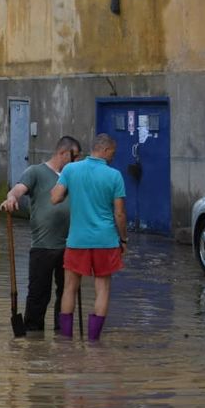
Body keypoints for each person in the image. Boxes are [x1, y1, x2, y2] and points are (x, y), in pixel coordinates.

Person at [0, 136, 82, 333]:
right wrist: (11, 199)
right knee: (38, 294)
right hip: (43, 246)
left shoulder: (73, 175)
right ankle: (34, 339)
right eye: (75, 156)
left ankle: (62, 333)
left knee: (67, 292)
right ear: (63, 153)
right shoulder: (35, 172)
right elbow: (18, 189)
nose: (78, 160)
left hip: (70, 245)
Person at [50, 133, 127, 340]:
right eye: (112, 152)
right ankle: (93, 341)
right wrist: (124, 239)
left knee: (69, 288)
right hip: (106, 240)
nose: (113, 156)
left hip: (77, 240)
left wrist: (71, 189)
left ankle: (66, 339)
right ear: (104, 150)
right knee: (102, 289)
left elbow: (55, 198)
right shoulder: (115, 176)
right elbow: (119, 214)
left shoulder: (71, 170)